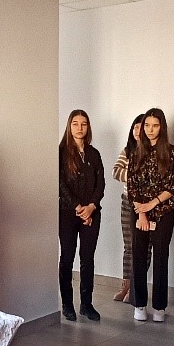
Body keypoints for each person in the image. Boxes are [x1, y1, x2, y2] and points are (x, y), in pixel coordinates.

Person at [129, 108, 174, 321]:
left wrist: (151, 204)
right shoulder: (136, 152)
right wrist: (142, 213)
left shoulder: (172, 152)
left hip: (163, 212)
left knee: (161, 257)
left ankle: (159, 307)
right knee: (139, 257)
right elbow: (132, 186)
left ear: (162, 127)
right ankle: (139, 304)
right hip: (139, 212)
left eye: (155, 125)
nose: (150, 130)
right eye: (147, 125)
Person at [59, 109, 105, 322]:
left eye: (84, 124)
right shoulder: (60, 152)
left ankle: (86, 304)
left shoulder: (94, 154)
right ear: (69, 126)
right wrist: (78, 207)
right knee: (67, 257)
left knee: (87, 258)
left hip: (92, 213)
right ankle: (67, 304)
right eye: (75, 123)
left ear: (88, 127)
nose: (80, 128)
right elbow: (60, 184)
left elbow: (100, 184)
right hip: (67, 213)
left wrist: (91, 207)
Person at [112, 115, 144, 304]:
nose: (138, 131)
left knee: (143, 247)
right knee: (129, 245)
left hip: (146, 205)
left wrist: (134, 176)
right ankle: (126, 284)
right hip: (127, 201)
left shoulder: (153, 152)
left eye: (142, 127)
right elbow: (116, 171)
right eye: (135, 127)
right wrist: (135, 175)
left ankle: (136, 287)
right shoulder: (127, 151)